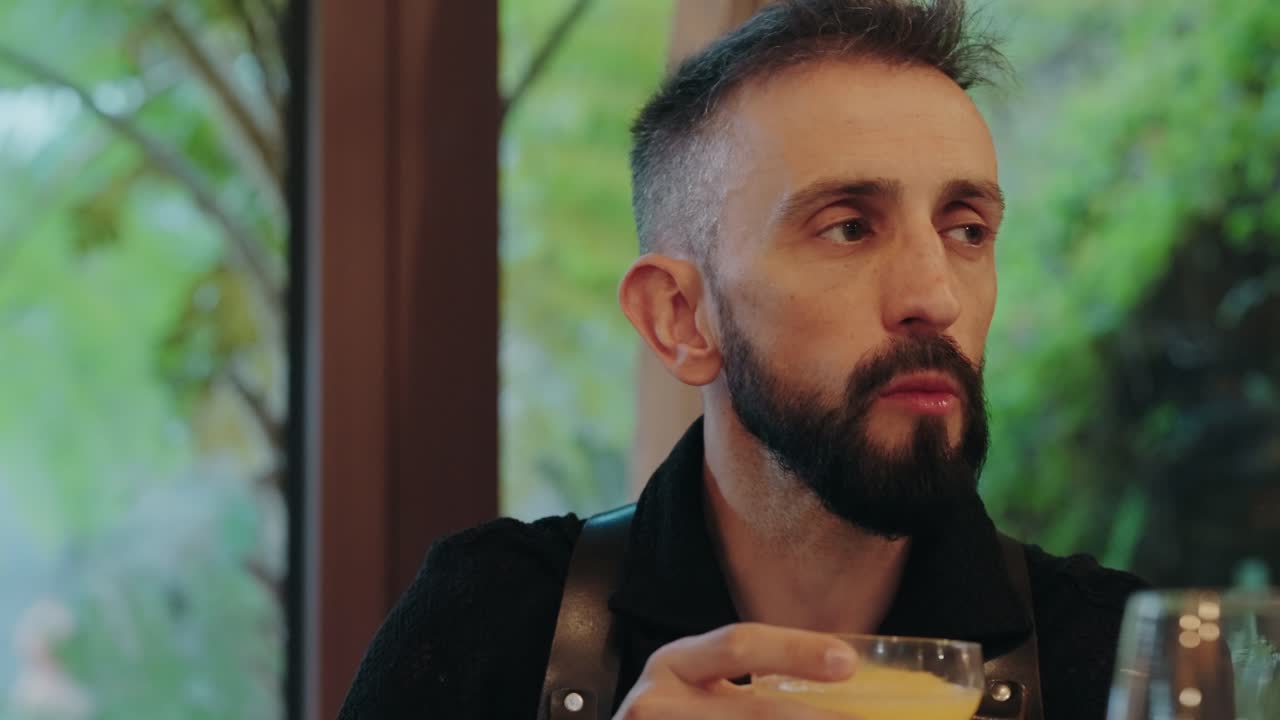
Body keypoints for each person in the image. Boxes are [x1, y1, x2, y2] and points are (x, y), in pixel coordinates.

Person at [338, 0, 1148, 717]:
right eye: (848, 227)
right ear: (680, 318)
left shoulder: (1116, 657)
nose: (936, 296)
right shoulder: (494, 625)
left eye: (965, 228)